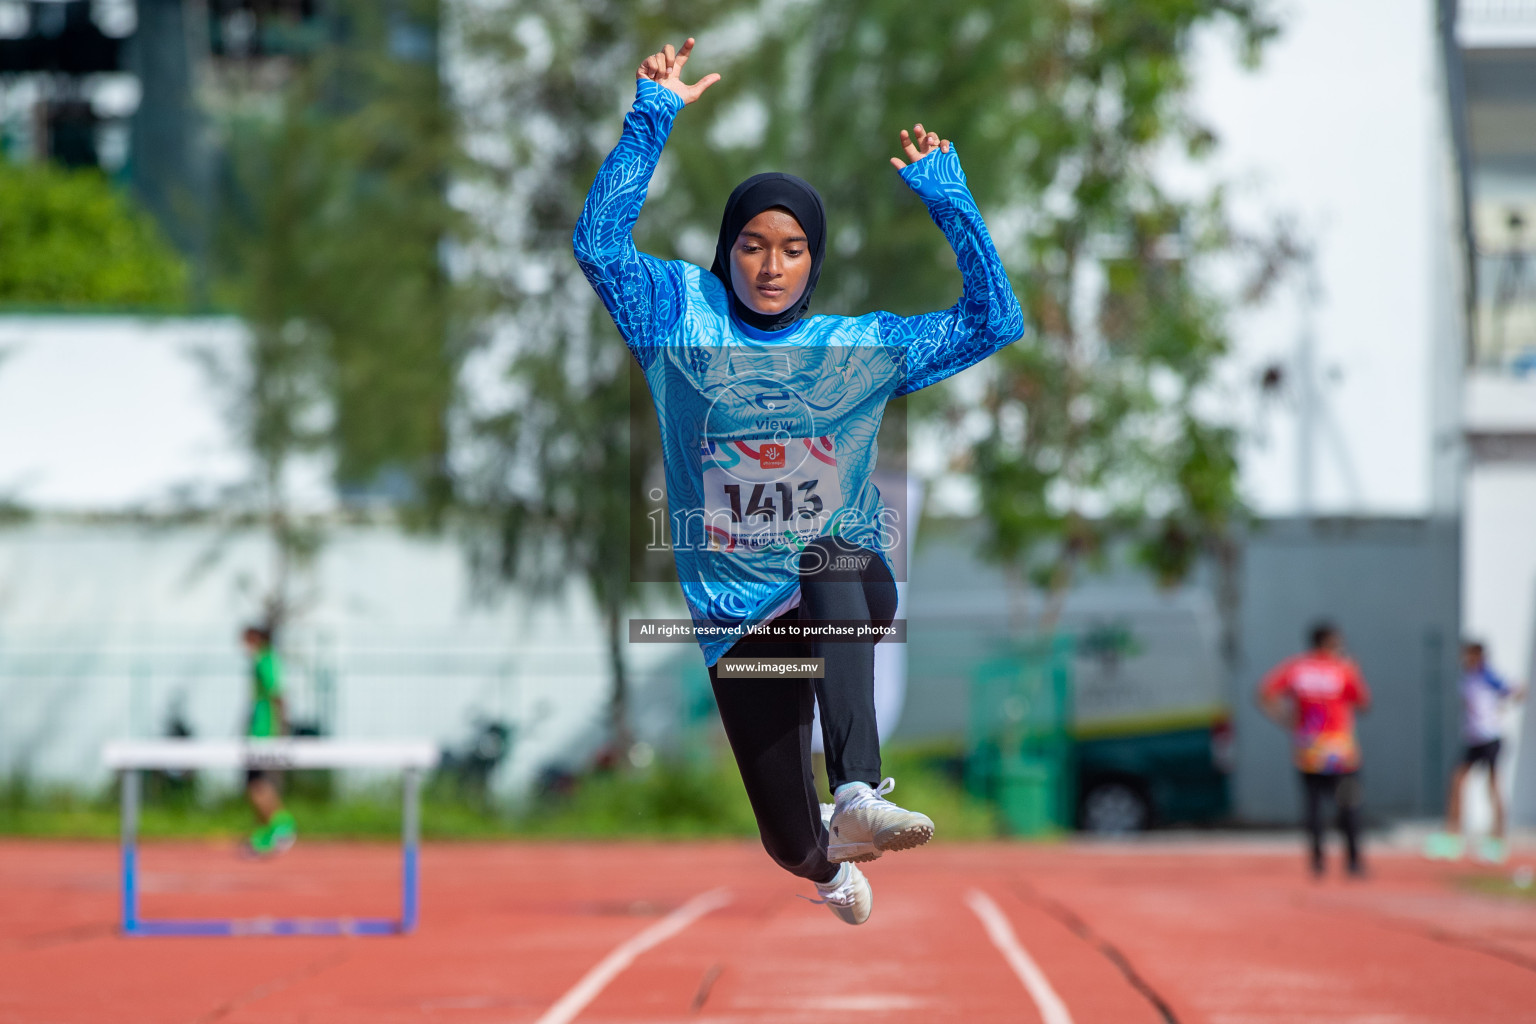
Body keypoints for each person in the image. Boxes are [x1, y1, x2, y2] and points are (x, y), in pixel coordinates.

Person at [573, 39, 1024, 924]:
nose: (770, 266)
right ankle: (828, 862)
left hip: (845, 584)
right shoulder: (675, 317)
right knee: (786, 840)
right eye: (751, 246)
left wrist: (951, 200)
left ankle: (858, 786)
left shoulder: (858, 349)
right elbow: (597, 243)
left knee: (832, 554)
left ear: (813, 260)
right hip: (740, 621)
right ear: (726, 251)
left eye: (789, 250)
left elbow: (994, 320)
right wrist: (651, 115)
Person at [1257, 621, 1372, 877]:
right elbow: (1364, 703)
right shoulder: (1342, 669)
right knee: (1349, 804)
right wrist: (1356, 672)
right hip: (1340, 751)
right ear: (1331, 643)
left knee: (1314, 807)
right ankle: (1353, 861)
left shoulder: (1298, 668)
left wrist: (1286, 719)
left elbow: (1264, 693)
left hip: (1309, 748)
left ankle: (1318, 862)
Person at [1426, 641, 1525, 864]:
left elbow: (1518, 690)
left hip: (1490, 739)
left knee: (1492, 785)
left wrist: (1500, 709)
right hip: (1473, 740)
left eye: (1469, 655)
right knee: (1457, 781)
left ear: (1478, 656)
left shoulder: (1489, 676)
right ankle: (1453, 838)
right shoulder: (1466, 678)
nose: (1465, 659)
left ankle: (1497, 841)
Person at [242, 625, 297, 856]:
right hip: (258, 730)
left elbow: (277, 693)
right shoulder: (263, 660)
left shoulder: (265, 661)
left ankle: (283, 825)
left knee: (257, 785)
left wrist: (282, 727)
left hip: (264, 733)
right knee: (254, 784)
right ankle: (266, 834)